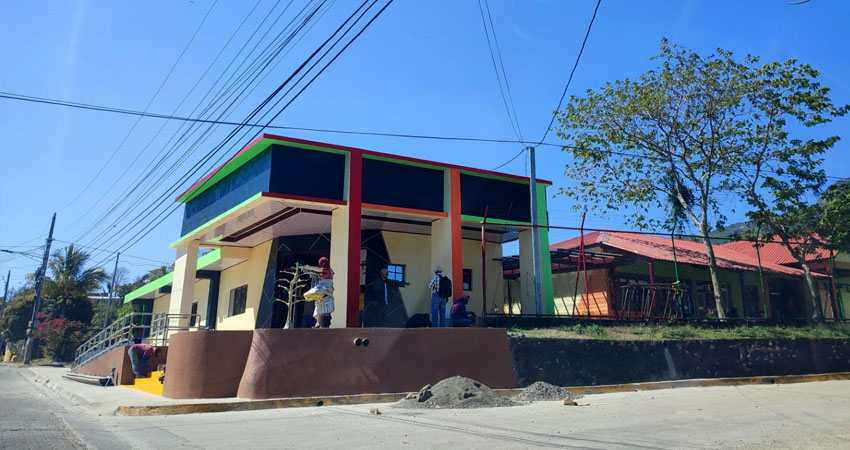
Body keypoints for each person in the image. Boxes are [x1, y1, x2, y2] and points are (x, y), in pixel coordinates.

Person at [306, 257, 334, 328]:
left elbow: (321, 270)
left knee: (325, 313)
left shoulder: (329, 270)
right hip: (320, 294)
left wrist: (309, 267)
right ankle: (318, 323)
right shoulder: (320, 273)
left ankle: (322, 325)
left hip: (326, 291)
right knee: (319, 309)